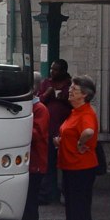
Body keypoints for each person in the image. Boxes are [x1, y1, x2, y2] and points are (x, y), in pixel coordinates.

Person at [0, 72, 49, 220]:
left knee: (29, 207)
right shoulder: (18, 108)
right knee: (7, 202)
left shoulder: (40, 110)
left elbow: (36, 134)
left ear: (32, 89)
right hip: (13, 162)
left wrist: (16, 124)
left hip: (33, 165)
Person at [56, 74, 99, 220]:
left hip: (80, 168)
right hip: (70, 166)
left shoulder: (86, 113)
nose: (70, 92)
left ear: (84, 95)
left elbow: (89, 131)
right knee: (73, 213)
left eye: (74, 90)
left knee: (79, 213)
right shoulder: (74, 112)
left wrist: (81, 143)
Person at [38, 59, 72, 203]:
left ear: (63, 71)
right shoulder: (46, 83)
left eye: (56, 69)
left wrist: (61, 97)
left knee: (65, 164)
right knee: (49, 163)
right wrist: (47, 94)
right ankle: (48, 193)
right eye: (52, 69)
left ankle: (66, 193)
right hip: (49, 130)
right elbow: (38, 100)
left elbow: (73, 102)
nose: (52, 72)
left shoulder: (70, 85)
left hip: (65, 131)